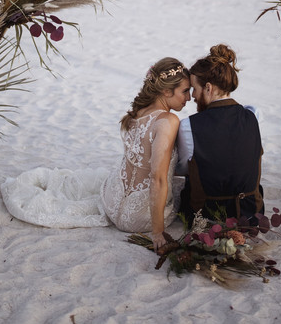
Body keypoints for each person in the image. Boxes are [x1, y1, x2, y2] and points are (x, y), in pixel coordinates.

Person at [99, 57, 191, 250]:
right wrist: (157, 233)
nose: (189, 98)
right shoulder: (168, 120)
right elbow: (157, 178)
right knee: (183, 186)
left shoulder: (137, 113)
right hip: (139, 218)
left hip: (112, 203)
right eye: (185, 91)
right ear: (166, 91)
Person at [176, 44, 263, 223]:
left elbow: (184, 168)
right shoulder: (253, 115)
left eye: (194, 88)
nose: (192, 96)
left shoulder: (189, 125)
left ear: (208, 88)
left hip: (206, 215)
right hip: (250, 212)